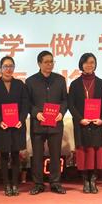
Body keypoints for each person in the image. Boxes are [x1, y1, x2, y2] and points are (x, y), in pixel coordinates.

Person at [26, 51, 68, 195]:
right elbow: (27, 102)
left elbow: (65, 100)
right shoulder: (30, 81)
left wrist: (61, 112)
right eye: (46, 62)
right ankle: (38, 184)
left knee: (55, 155)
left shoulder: (60, 80)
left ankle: (55, 182)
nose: (49, 64)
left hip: (55, 124)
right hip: (38, 124)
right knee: (37, 156)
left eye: (51, 62)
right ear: (39, 63)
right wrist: (36, 113)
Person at [68, 53, 102, 193]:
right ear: (81, 64)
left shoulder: (101, 83)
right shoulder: (75, 84)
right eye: (86, 62)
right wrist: (80, 119)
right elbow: (71, 104)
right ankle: (85, 180)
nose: (89, 65)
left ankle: (93, 180)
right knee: (84, 152)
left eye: (92, 62)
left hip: (97, 124)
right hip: (82, 124)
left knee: (95, 152)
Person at [0, 56, 29, 196]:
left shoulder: (20, 84)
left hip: (17, 125)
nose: (8, 69)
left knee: (16, 155)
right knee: (4, 156)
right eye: (5, 66)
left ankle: (15, 184)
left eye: (11, 66)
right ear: (0, 68)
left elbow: (25, 104)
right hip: (2, 126)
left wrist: (21, 119)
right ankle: (6, 185)